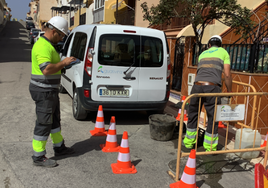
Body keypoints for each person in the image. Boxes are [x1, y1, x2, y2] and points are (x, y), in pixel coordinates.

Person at [29, 16, 76, 167]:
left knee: (54, 121)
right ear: (54, 32)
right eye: (62, 35)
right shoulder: (43, 46)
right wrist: (63, 62)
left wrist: (63, 65)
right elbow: (46, 69)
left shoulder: (48, 45)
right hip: (43, 91)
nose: (62, 38)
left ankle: (59, 147)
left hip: (49, 91)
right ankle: (38, 156)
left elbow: (53, 66)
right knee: (44, 123)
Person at [183, 35, 232, 152]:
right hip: (212, 88)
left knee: (193, 114)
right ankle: (210, 148)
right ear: (220, 44)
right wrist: (230, 91)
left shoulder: (202, 54)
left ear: (209, 45)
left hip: (196, 87)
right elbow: (227, 75)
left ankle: (188, 144)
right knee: (212, 117)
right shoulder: (224, 52)